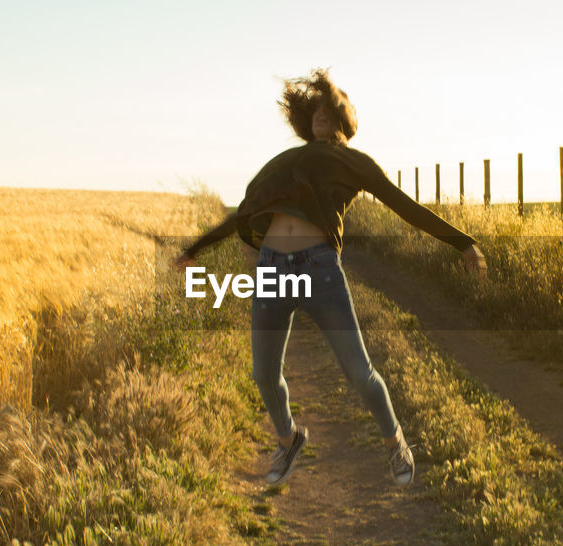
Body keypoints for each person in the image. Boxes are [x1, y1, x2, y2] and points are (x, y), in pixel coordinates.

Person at [174, 68, 486, 487]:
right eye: (315, 109)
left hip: (319, 270)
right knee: (264, 374)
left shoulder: (355, 163)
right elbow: (243, 213)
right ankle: (288, 440)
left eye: (329, 108)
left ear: (343, 117)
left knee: (359, 372)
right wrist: (194, 249)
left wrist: (463, 243)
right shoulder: (286, 162)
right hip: (272, 268)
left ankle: (395, 443)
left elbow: (405, 207)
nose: (321, 113)